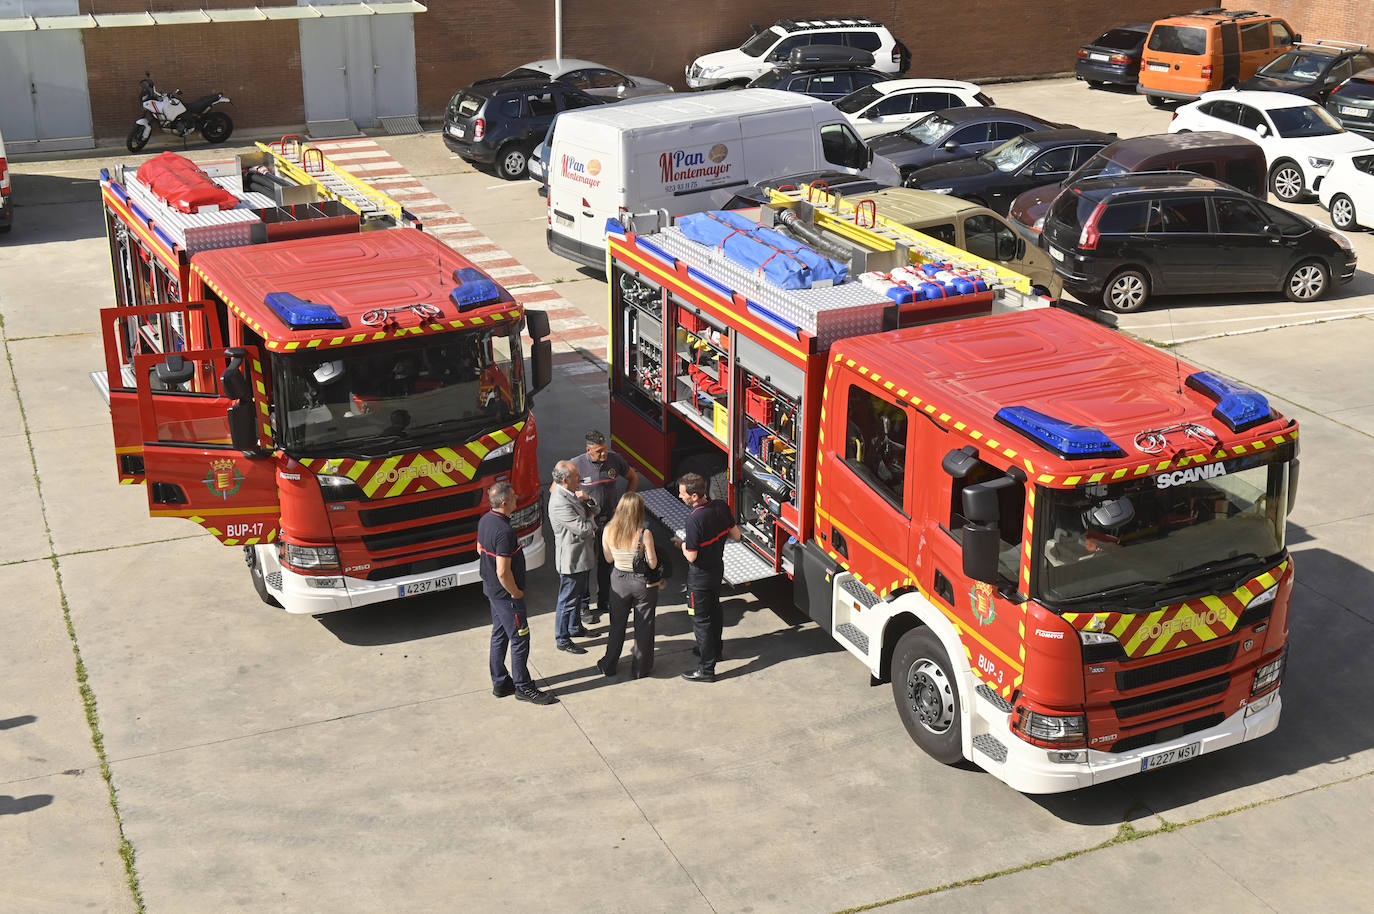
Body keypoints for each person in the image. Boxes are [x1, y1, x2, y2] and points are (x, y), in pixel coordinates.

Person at [477, 481, 557, 705]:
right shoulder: (504, 532)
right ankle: (523, 686)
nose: (516, 499)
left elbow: (479, 548)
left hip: (492, 591)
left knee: (500, 634)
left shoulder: (485, 521)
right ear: (504, 502)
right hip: (507, 596)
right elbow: (503, 572)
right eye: (513, 498)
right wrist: (516, 594)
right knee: (520, 638)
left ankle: (501, 682)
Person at [676, 472, 739, 683]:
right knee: (715, 610)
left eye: (683, 493)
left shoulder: (694, 519)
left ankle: (706, 669)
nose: (680, 496)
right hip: (716, 570)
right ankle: (716, 650)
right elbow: (736, 535)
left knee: (700, 621)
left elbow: (692, 556)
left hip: (699, 577)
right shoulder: (720, 506)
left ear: (694, 496)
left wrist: (682, 544)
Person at [570, 429, 639, 626]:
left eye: (605, 450)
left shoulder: (615, 461)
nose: (604, 454)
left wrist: (624, 503)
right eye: (599, 451)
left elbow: (633, 478)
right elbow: (557, 490)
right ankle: (583, 606)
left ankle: (605, 600)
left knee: (607, 562)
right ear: (588, 450)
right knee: (585, 566)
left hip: (610, 522)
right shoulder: (576, 465)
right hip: (587, 524)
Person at [598, 492, 662, 680]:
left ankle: (608, 664)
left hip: (618, 581)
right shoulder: (644, 534)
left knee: (617, 625)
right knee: (644, 625)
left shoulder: (609, 530)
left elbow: (608, 558)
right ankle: (640, 669)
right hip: (642, 583)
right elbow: (652, 564)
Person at [547, 461, 597, 653]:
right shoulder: (559, 502)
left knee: (576, 597)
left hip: (582, 557)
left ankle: (575, 628)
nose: (581, 478)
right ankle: (562, 639)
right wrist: (591, 517)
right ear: (566, 479)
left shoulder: (573, 494)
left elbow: (595, 509)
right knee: (567, 600)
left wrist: (589, 501)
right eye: (577, 476)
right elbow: (583, 529)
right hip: (572, 560)